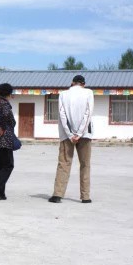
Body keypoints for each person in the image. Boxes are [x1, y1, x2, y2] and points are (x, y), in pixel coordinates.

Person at [49, 74, 94, 204]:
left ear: (72, 83)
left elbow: (62, 114)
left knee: (63, 164)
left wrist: (70, 134)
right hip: (85, 134)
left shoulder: (63, 94)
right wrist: (79, 133)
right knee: (85, 165)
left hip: (66, 135)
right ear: (83, 84)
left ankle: (57, 195)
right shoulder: (89, 93)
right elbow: (88, 113)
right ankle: (85, 197)